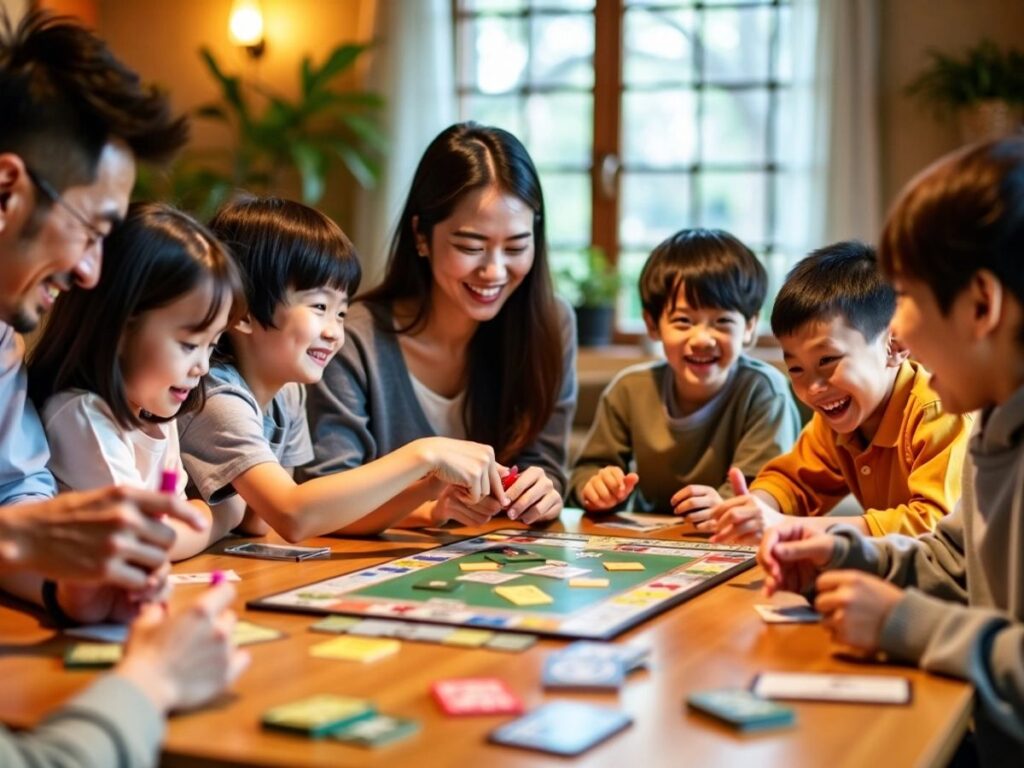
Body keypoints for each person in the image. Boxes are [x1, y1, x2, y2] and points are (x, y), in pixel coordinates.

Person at [0, 10, 245, 766]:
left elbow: (19, 495)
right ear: (7, 188)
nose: (91, 274)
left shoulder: (4, 347)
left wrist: (63, 588)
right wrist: (152, 678)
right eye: (92, 228)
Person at [758, 137, 1024, 767]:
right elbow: (955, 561)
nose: (895, 329)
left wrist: (906, 623)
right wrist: (845, 553)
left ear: (981, 305)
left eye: (904, 296)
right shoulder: (994, 425)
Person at [176, 195, 508, 542]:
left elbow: (288, 519)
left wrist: (430, 491)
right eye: (319, 306)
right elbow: (293, 516)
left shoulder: (286, 394)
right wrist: (424, 454)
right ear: (242, 312)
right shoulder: (215, 396)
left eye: (341, 313)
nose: (335, 332)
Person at [302, 122, 577, 531]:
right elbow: (324, 497)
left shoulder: (551, 324)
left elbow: (544, 463)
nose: (494, 271)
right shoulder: (352, 339)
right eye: (470, 246)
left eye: (517, 246)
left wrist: (542, 490)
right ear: (421, 236)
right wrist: (430, 508)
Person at [707, 241, 971, 544]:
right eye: (796, 369)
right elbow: (793, 481)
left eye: (828, 360)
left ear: (894, 346)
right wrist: (756, 509)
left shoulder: (939, 410)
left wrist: (788, 526)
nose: (814, 387)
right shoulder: (836, 418)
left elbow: (934, 524)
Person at [29, 203, 246, 569]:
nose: (203, 367)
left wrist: (194, 517)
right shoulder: (81, 414)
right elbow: (142, 543)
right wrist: (220, 518)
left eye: (212, 344)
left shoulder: (155, 409)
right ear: (121, 329)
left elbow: (169, 525)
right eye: (189, 345)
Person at [568, 228, 800, 515]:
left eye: (722, 321)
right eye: (683, 321)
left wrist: (723, 507)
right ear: (653, 324)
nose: (702, 339)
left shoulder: (764, 391)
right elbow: (586, 472)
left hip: (732, 542)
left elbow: (764, 491)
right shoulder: (629, 389)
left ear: (750, 327)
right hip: (649, 541)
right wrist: (595, 488)